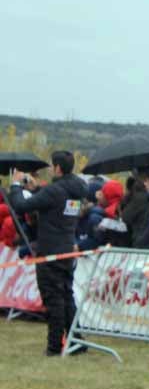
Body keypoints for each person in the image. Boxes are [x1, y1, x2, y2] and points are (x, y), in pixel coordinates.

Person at [7, 152, 88, 355]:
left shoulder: (55, 190)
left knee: (53, 298)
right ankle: (76, 340)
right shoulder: (77, 189)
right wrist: (36, 189)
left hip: (50, 251)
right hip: (67, 249)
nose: (52, 170)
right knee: (66, 296)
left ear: (58, 168)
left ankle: (54, 345)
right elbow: (54, 205)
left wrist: (16, 186)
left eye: (53, 166)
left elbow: (21, 205)